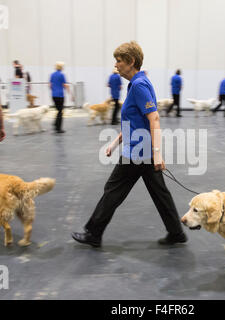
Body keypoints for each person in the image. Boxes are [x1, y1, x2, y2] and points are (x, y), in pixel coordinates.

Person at [71, 41, 187, 247]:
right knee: (160, 193)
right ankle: (176, 232)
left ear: (131, 61)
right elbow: (135, 121)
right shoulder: (137, 83)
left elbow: (154, 119)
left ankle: (93, 233)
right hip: (141, 150)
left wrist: (157, 154)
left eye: (119, 61)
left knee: (113, 190)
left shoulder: (139, 85)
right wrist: (115, 142)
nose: (116, 66)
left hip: (138, 152)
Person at [49, 61, 71, 133]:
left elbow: (50, 85)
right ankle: (58, 128)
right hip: (60, 95)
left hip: (54, 95)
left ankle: (55, 123)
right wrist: (69, 93)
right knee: (60, 111)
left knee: (58, 110)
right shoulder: (62, 75)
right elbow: (64, 85)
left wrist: (53, 90)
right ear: (61, 67)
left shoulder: (52, 75)